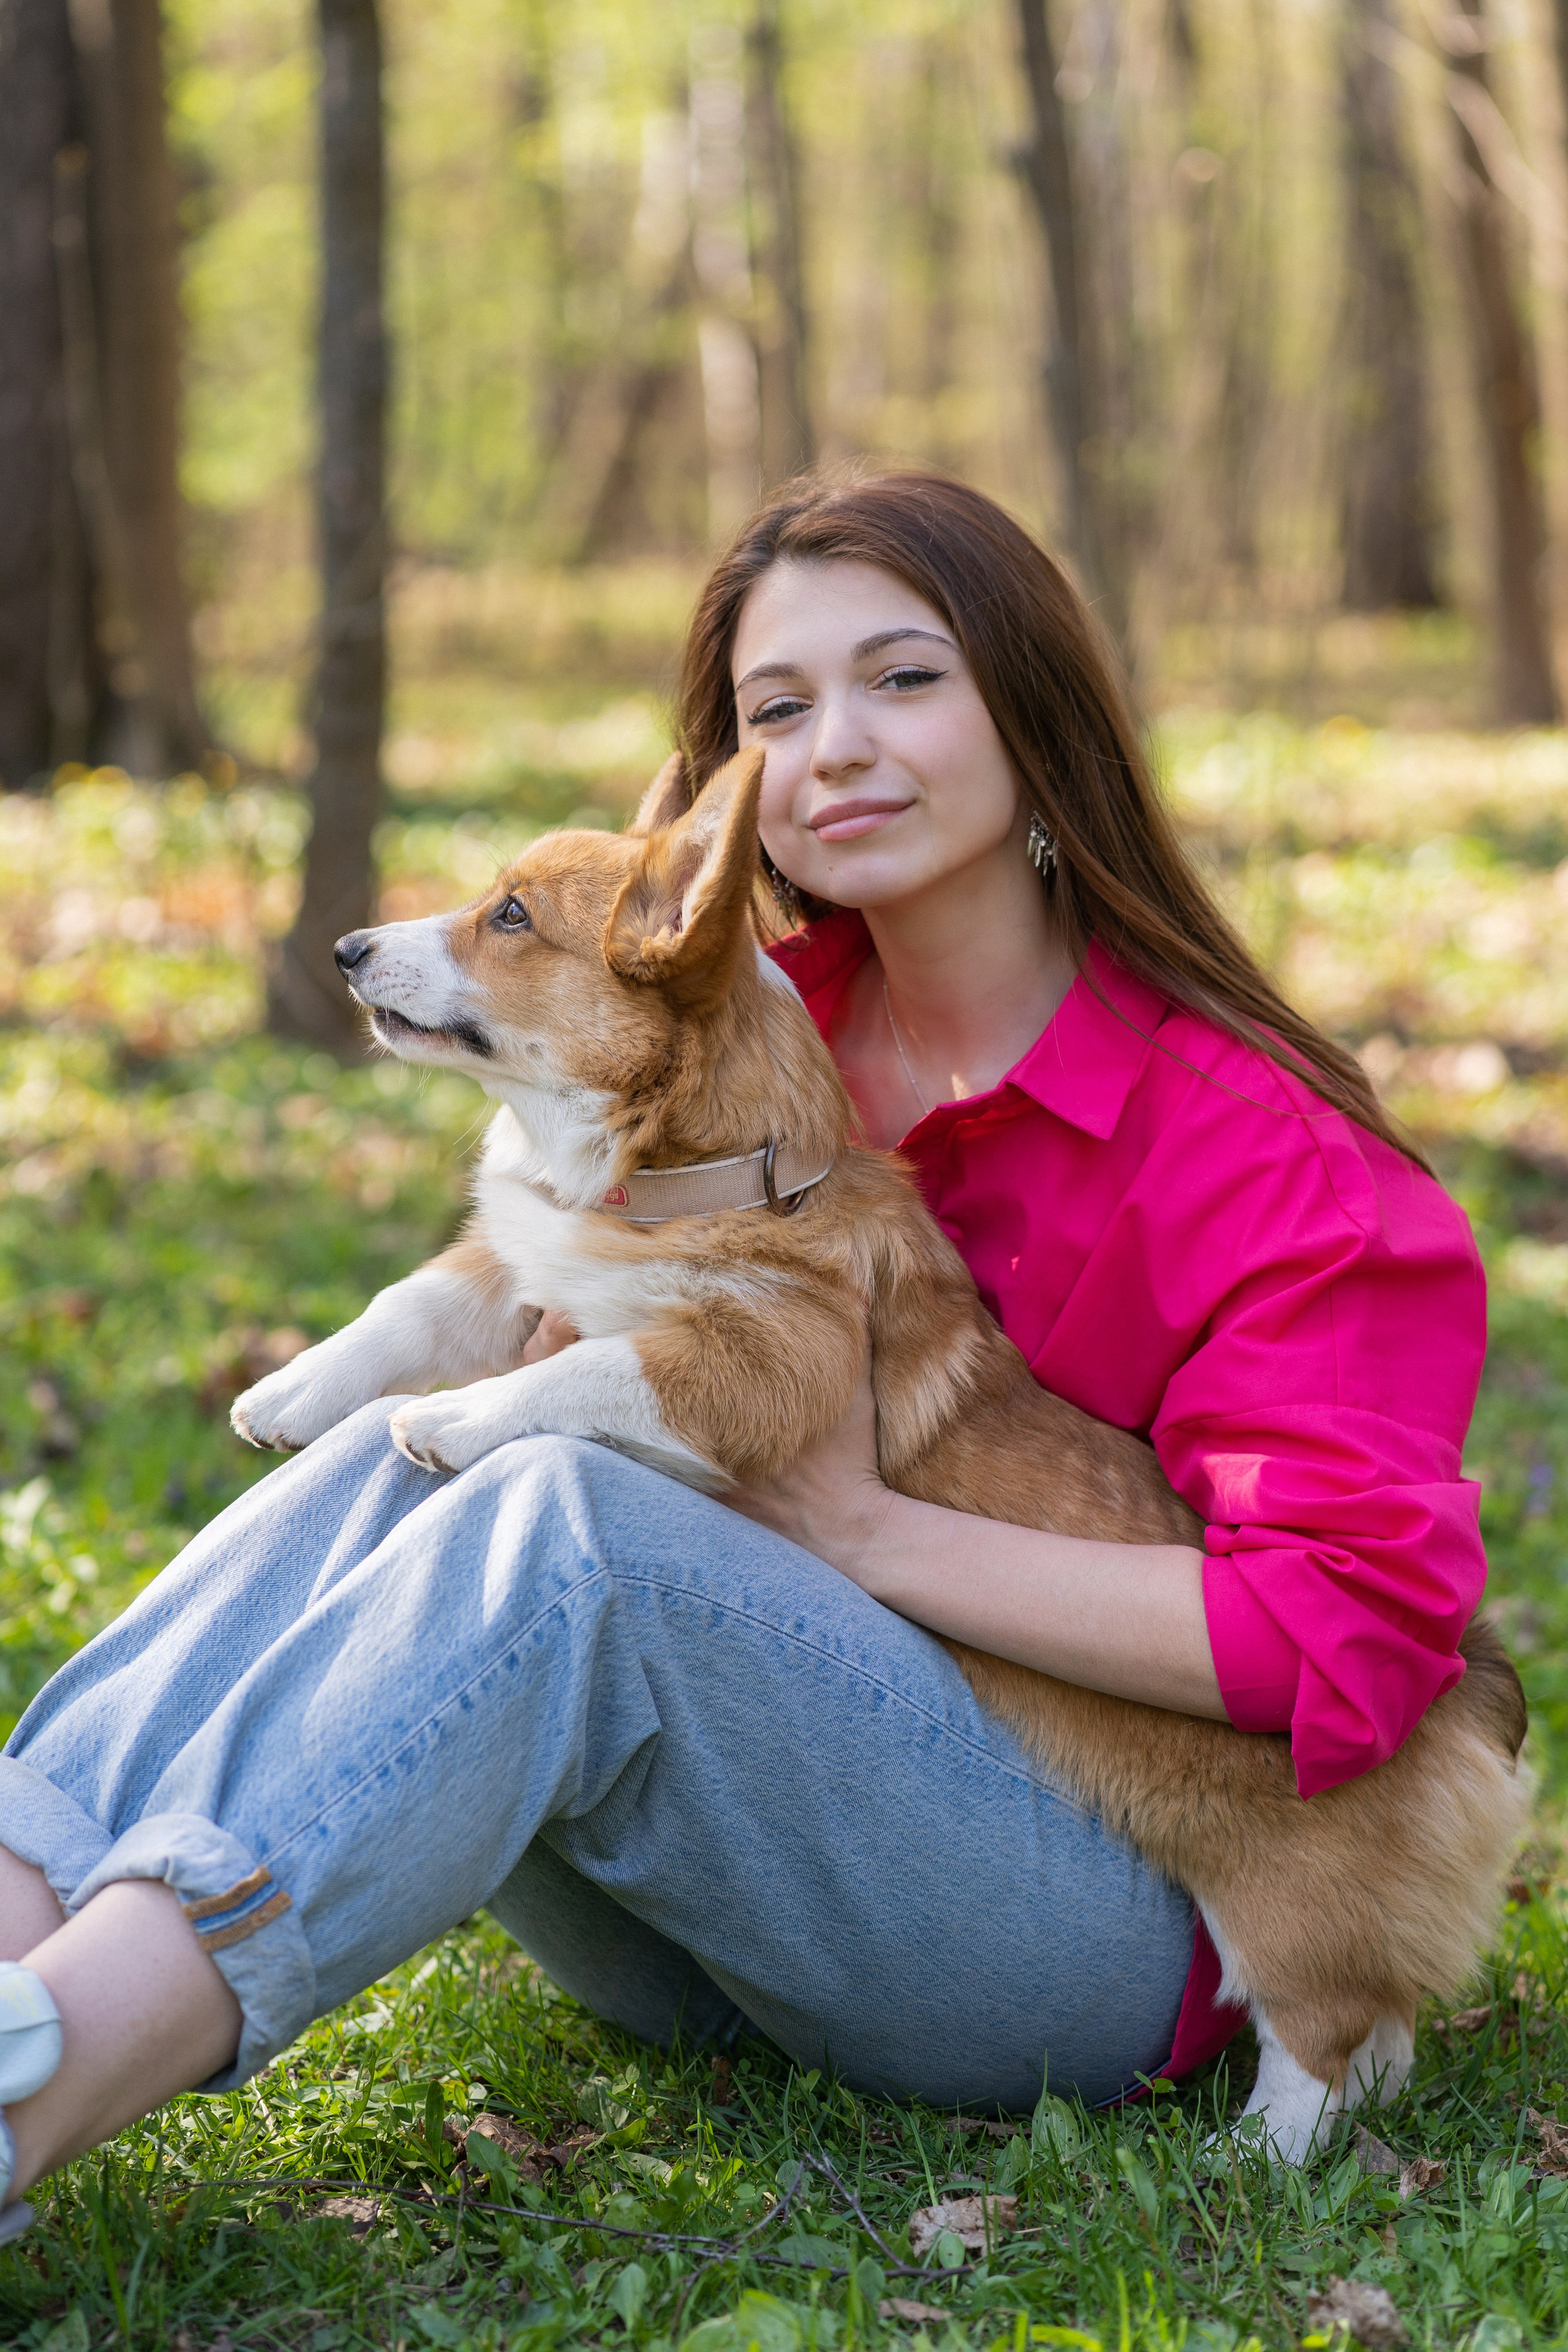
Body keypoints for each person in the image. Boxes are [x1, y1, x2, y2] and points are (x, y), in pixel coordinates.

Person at [0, 472, 1486, 2235]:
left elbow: (1354, 1637)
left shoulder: (1276, 1159)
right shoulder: (718, 1034)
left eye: (906, 679)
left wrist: (866, 1530)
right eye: (777, 710)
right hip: (727, 1883)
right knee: (403, 1436)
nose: (833, 747)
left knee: (559, 1512)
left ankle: (38, 2098)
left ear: (1039, 709)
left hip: (1102, 1929)